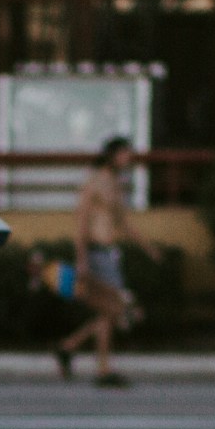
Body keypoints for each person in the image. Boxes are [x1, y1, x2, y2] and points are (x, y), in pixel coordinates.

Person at [56, 137, 146, 387]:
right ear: (113, 154)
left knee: (109, 311)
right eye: (125, 154)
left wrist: (148, 248)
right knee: (114, 309)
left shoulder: (115, 184)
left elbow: (122, 222)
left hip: (109, 253)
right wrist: (81, 258)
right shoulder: (94, 182)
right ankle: (101, 369)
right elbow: (81, 221)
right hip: (96, 253)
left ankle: (70, 348)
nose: (128, 159)